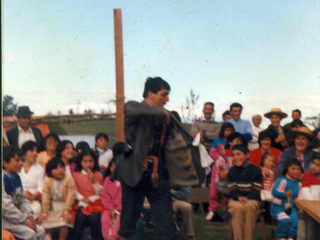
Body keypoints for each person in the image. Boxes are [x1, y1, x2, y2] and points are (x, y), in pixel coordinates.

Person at [111, 77, 200, 240]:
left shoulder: (168, 116)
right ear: (150, 93)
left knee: (166, 222)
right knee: (128, 223)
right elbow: (130, 110)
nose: (167, 99)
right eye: (164, 94)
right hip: (135, 170)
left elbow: (183, 138)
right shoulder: (134, 108)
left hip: (158, 173)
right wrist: (162, 113)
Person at [2, 146, 46, 240]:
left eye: (22, 160)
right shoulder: (3, 179)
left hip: (16, 218)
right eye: (17, 160)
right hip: (4, 219)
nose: (21, 163)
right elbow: (6, 207)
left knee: (41, 230)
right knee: (29, 234)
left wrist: (29, 216)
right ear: (5, 163)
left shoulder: (16, 177)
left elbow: (22, 200)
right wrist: (25, 221)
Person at [207, 132, 245, 222]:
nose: (239, 143)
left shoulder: (244, 154)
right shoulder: (224, 155)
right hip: (223, 183)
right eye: (237, 141)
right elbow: (223, 175)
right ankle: (223, 215)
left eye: (240, 141)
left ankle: (226, 214)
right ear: (230, 143)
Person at [227, 144, 263, 240]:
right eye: (233, 155)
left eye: (238, 154)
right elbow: (232, 188)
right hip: (236, 199)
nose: (235, 157)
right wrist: (238, 197)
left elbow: (257, 188)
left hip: (252, 198)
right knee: (238, 208)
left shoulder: (256, 170)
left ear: (247, 155)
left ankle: (248, 238)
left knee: (250, 206)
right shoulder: (232, 171)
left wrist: (247, 198)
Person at [38, 158, 75, 240]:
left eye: (61, 167)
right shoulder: (47, 180)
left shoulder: (68, 179)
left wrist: (66, 212)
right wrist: (44, 213)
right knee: (44, 221)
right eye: (55, 168)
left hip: (66, 206)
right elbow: (46, 197)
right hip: (53, 206)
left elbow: (70, 197)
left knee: (64, 223)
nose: (60, 170)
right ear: (49, 171)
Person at [72, 148, 104, 240]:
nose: (88, 164)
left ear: (95, 161)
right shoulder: (76, 174)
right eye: (85, 161)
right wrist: (82, 198)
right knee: (80, 217)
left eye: (91, 161)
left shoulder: (98, 174)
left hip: (95, 205)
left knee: (95, 219)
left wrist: (94, 180)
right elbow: (74, 190)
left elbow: (100, 192)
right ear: (81, 162)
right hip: (82, 204)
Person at [271, 158, 303, 240]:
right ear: (287, 169)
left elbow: (300, 197)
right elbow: (274, 191)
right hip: (279, 208)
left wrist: (300, 208)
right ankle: (281, 236)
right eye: (293, 168)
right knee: (285, 220)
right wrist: (284, 194)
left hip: (291, 208)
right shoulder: (282, 180)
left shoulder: (299, 184)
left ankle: (291, 237)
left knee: (294, 221)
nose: (296, 171)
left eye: (298, 169)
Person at [101, 142, 125, 240]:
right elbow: (105, 195)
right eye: (113, 167)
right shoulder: (108, 180)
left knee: (118, 223)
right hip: (109, 208)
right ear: (110, 168)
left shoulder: (125, 181)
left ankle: (113, 238)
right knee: (105, 220)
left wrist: (119, 208)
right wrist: (110, 207)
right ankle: (107, 238)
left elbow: (126, 197)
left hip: (121, 209)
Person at [19, 141, 44, 219]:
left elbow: (41, 187)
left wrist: (34, 195)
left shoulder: (39, 168)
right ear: (24, 153)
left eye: (36, 151)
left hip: (34, 200)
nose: (35, 153)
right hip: (18, 198)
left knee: (35, 209)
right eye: (32, 151)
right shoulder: (17, 167)